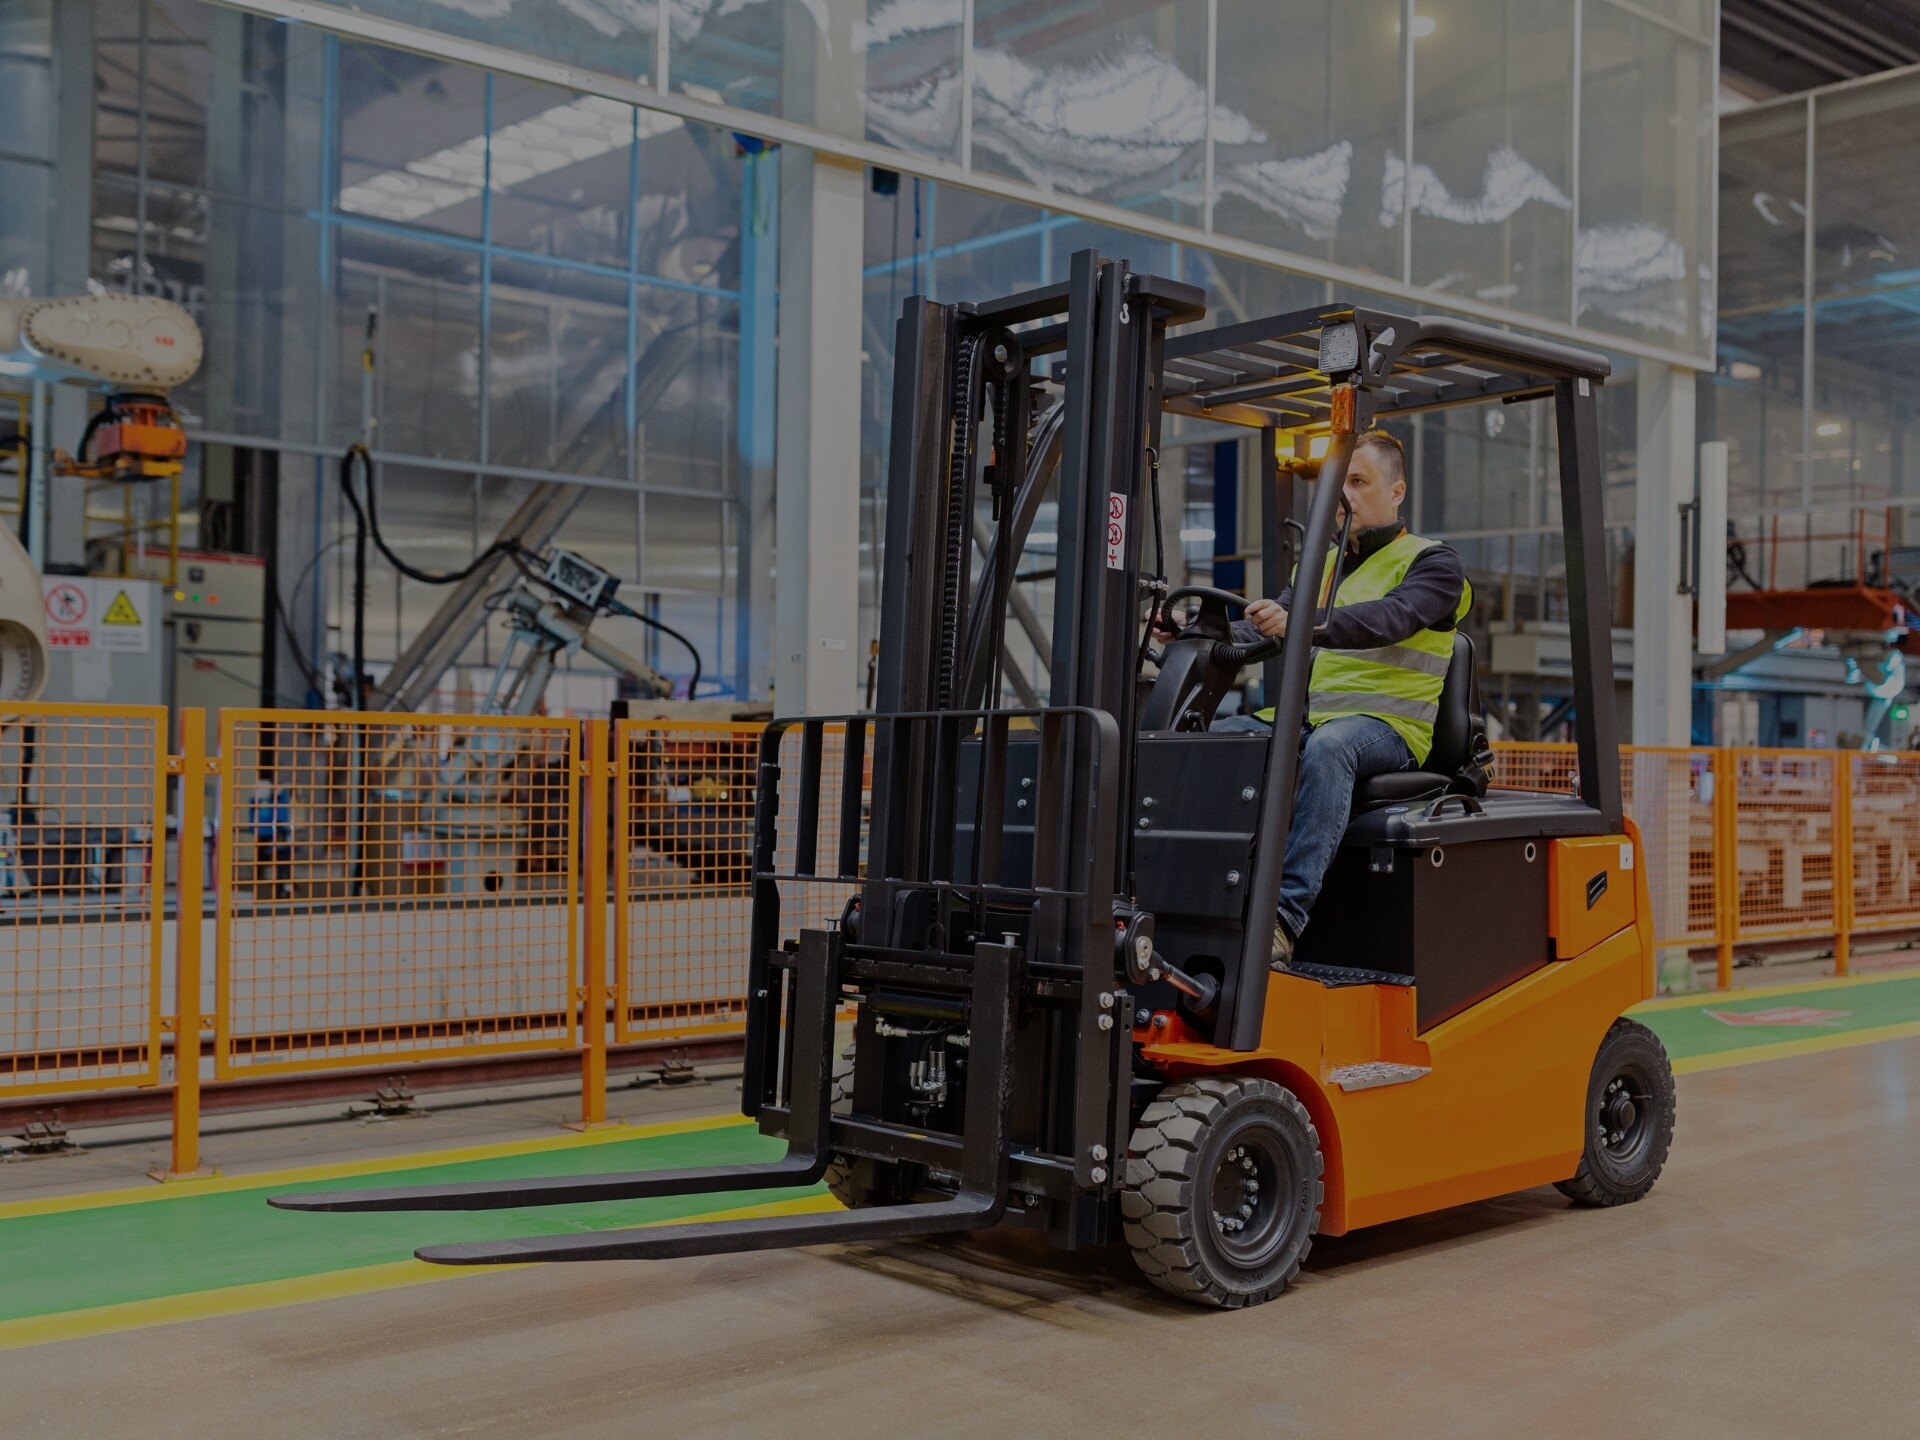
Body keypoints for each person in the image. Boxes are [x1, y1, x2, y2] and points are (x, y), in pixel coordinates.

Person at [1171, 429, 1468, 969]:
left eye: (1358, 481)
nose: (1345, 495)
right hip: (1314, 720)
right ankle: (1197, 898)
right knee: (1216, 740)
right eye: (1340, 482)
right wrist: (1193, 635)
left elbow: (1391, 618)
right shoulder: (1324, 566)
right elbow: (1268, 630)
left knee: (1331, 748)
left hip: (1389, 729)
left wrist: (1304, 620)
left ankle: (1284, 920)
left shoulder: (1434, 563)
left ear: (1397, 492)